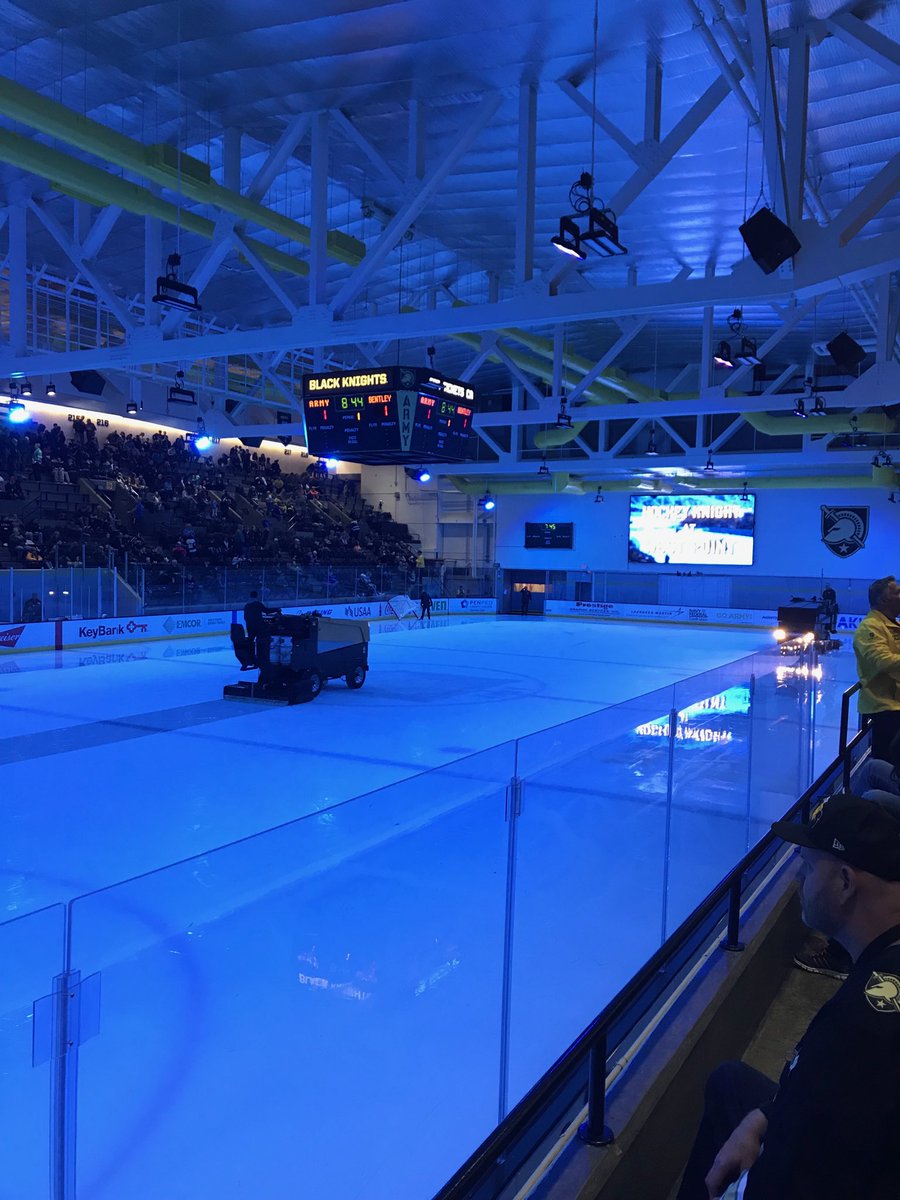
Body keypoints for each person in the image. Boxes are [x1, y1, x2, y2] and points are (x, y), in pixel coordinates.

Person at [677, 792, 900, 1200]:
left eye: (808, 866)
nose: (797, 879)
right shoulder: (884, 960)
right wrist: (761, 1118)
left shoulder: (857, 1029)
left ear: (846, 882)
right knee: (731, 1082)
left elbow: (801, 1176)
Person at [853, 575, 900, 760]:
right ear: (884, 599)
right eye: (898, 592)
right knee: (888, 764)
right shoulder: (870, 628)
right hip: (885, 708)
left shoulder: (891, 624)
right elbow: (883, 661)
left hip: (895, 704)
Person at [243, 590, 280, 666]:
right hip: (258, 626)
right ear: (257, 596)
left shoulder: (246, 605)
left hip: (250, 627)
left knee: (250, 641)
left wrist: (249, 625)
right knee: (262, 640)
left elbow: (245, 617)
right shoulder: (258, 604)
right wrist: (277, 609)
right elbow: (267, 611)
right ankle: (261, 657)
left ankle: (251, 657)